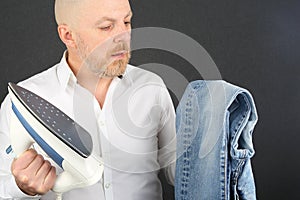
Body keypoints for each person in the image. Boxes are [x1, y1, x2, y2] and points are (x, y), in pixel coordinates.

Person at [0, 0, 176, 199]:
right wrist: (21, 187)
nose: (123, 38)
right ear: (69, 36)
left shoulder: (152, 88)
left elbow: (180, 171)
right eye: (106, 27)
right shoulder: (24, 102)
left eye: (126, 22)